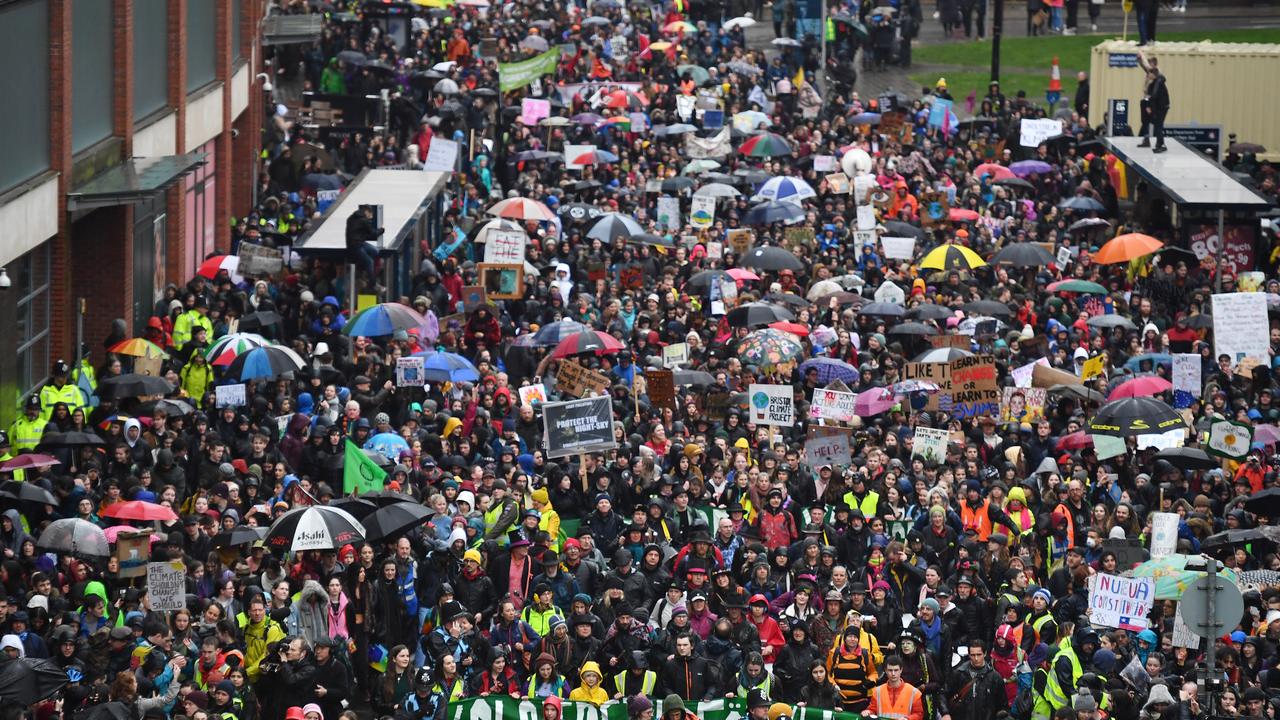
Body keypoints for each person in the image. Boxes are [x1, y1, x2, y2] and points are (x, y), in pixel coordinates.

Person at [867, 656, 925, 720]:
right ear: (885, 670)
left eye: (896, 670)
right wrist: (868, 712)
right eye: (890, 670)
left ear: (901, 670)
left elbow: (919, 714)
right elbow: (872, 710)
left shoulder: (914, 692)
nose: (893, 673)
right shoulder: (877, 691)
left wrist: (908, 719)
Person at [1137, 51, 1170, 152]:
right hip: (1152, 103)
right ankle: (1148, 139)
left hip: (1159, 105)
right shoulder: (1153, 76)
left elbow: (1154, 95)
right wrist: (1140, 59)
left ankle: (1161, 144)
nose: (1148, 74)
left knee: (1158, 125)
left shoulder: (1157, 77)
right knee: (1146, 121)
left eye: (1150, 72)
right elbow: (1145, 66)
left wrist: (1150, 107)